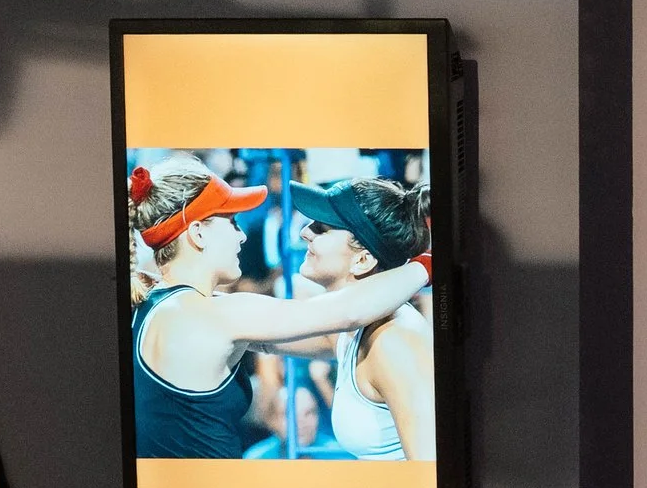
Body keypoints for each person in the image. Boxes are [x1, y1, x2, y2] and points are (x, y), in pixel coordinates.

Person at [128, 156, 430, 458]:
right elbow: (347, 312)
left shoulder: (163, 302)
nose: (242, 234)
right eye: (232, 222)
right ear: (197, 233)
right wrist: (426, 265)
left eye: (322, 228)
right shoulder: (213, 315)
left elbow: (330, 333)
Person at [274, 176, 437, 462]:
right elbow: (263, 335)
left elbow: (430, 474)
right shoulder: (352, 331)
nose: (305, 233)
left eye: (322, 228)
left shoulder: (394, 341)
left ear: (362, 260)